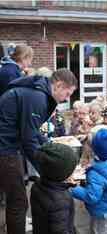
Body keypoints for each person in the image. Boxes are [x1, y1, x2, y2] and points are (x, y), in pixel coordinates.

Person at [0, 68, 77, 234]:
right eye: (67, 93)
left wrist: (49, 145)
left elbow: (32, 131)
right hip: (5, 150)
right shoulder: (38, 98)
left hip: (8, 144)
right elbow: (28, 141)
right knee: (18, 202)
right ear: (58, 85)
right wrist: (52, 170)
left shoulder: (36, 91)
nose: (67, 98)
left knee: (13, 197)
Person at [72, 128, 107, 234]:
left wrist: (73, 188)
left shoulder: (96, 173)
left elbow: (91, 197)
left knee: (99, 231)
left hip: (101, 212)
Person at [30, 142, 79, 234]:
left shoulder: (38, 185)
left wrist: (66, 185)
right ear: (61, 174)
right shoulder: (60, 201)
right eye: (71, 170)